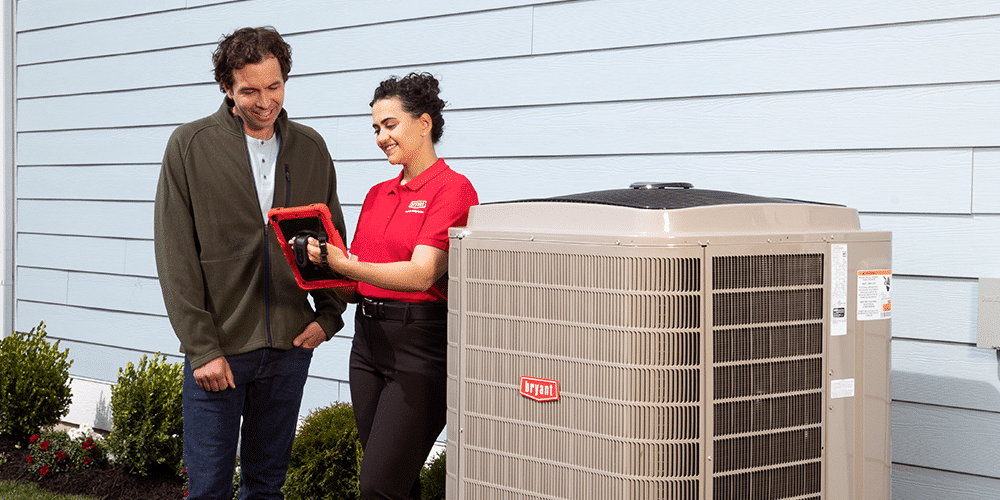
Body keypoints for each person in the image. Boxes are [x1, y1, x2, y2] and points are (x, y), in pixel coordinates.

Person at [153, 26, 347, 500]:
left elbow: (332, 241)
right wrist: (202, 348)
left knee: (266, 487)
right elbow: (175, 254)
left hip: (288, 349)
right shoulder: (190, 146)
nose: (265, 101)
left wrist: (328, 316)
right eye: (250, 90)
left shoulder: (310, 147)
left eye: (274, 86)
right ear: (227, 87)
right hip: (220, 351)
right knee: (208, 489)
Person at [303, 72, 478, 500]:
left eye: (390, 125)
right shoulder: (377, 193)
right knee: (399, 483)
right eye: (376, 128)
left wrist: (345, 264)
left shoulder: (453, 190)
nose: (381, 137)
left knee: (378, 488)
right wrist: (316, 267)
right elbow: (356, 282)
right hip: (367, 344)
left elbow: (422, 274)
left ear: (424, 123)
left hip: (419, 347)